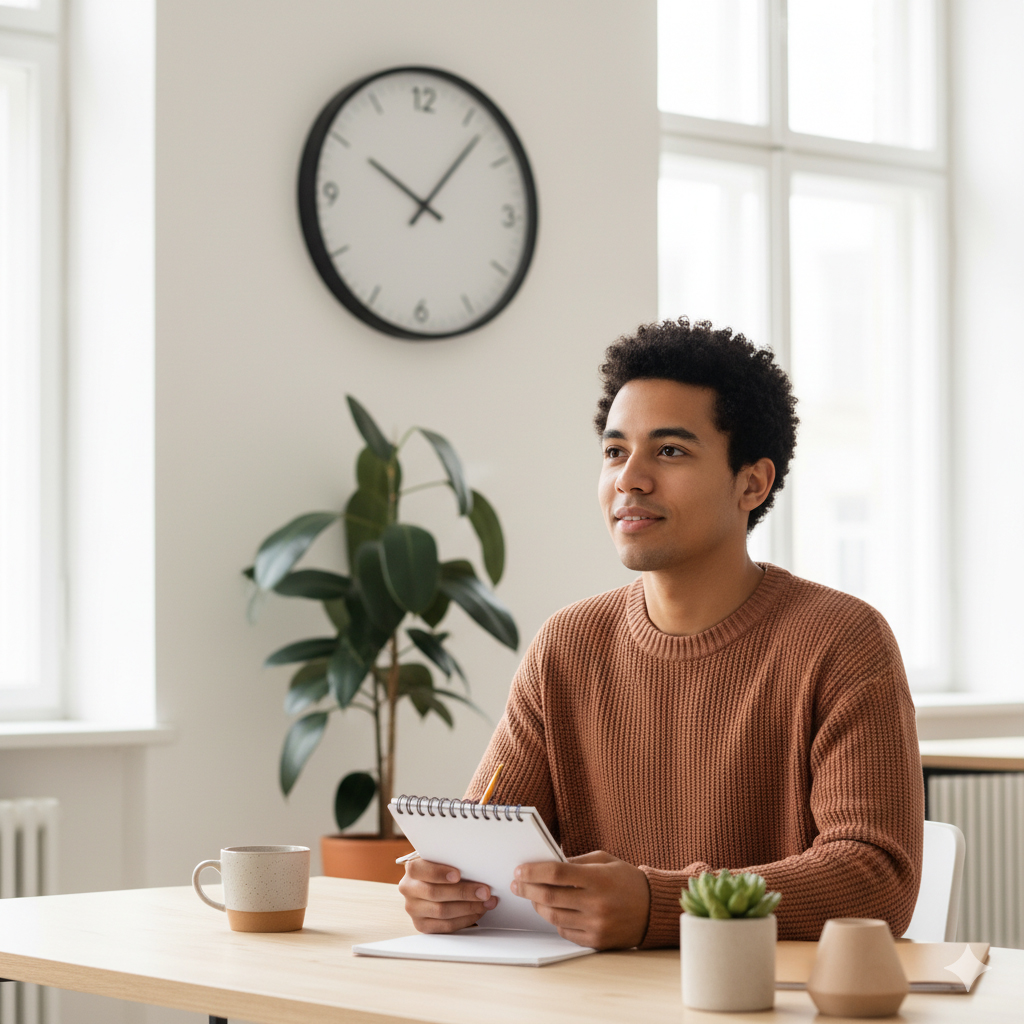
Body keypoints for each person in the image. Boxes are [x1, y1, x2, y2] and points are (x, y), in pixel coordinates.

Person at [398, 318, 924, 950]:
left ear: (751, 483)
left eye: (669, 451)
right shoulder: (566, 647)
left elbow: (875, 878)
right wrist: (449, 888)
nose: (630, 479)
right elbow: (484, 841)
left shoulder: (841, 640)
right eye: (616, 451)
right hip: (595, 1004)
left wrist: (665, 905)